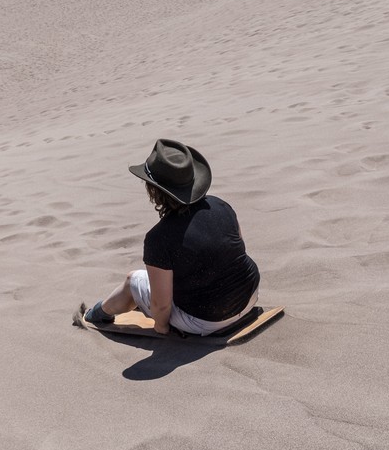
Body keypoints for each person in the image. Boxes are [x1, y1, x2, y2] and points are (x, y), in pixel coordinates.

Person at [84, 139, 260, 336]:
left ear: (153, 190)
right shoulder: (221, 205)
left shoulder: (159, 238)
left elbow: (161, 305)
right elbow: (235, 253)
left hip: (207, 320)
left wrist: (162, 327)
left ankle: (97, 313)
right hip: (250, 296)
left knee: (133, 281)